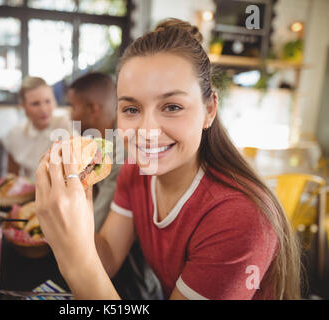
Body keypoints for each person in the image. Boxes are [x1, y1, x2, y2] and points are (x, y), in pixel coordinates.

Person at [35, 19, 302, 300]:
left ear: (209, 109)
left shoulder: (240, 217)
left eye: (172, 106)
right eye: (131, 108)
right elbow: (108, 258)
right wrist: (76, 209)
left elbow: (87, 267)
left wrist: (75, 259)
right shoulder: (134, 173)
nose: (147, 131)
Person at [67, 72, 163, 299]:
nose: (69, 115)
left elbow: (96, 229)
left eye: (72, 107)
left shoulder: (120, 154)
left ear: (93, 109)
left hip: (134, 284)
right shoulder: (97, 143)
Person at [2, 76, 73, 181]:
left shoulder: (67, 125)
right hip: (30, 194)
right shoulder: (14, 134)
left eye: (48, 101)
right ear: (23, 107)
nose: (43, 109)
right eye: (35, 104)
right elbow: (12, 178)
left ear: (55, 102)